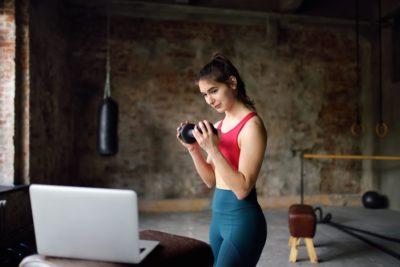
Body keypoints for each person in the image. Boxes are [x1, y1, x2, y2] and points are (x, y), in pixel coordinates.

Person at [176, 54, 268, 267]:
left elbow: (243, 188)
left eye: (214, 91)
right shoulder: (218, 126)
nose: (209, 100)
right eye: (204, 94)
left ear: (232, 83)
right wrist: (193, 149)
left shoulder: (252, 126)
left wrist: (213, 149)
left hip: (243, 222)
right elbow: (211, 180)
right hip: (218, 219)